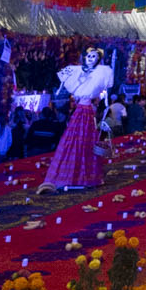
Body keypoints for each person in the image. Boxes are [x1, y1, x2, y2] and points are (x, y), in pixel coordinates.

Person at [41, 48, 113, 191]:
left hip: (86, 110)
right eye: (89, 56)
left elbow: (104, 91)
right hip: (81, 110)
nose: (90, 58)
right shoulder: (77, 70)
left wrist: (105, 106)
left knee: (84, 140)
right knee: (76, 139)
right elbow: (64, 81)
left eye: (94, 57)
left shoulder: (102, 72)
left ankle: (81, 176)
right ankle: (73, 176)